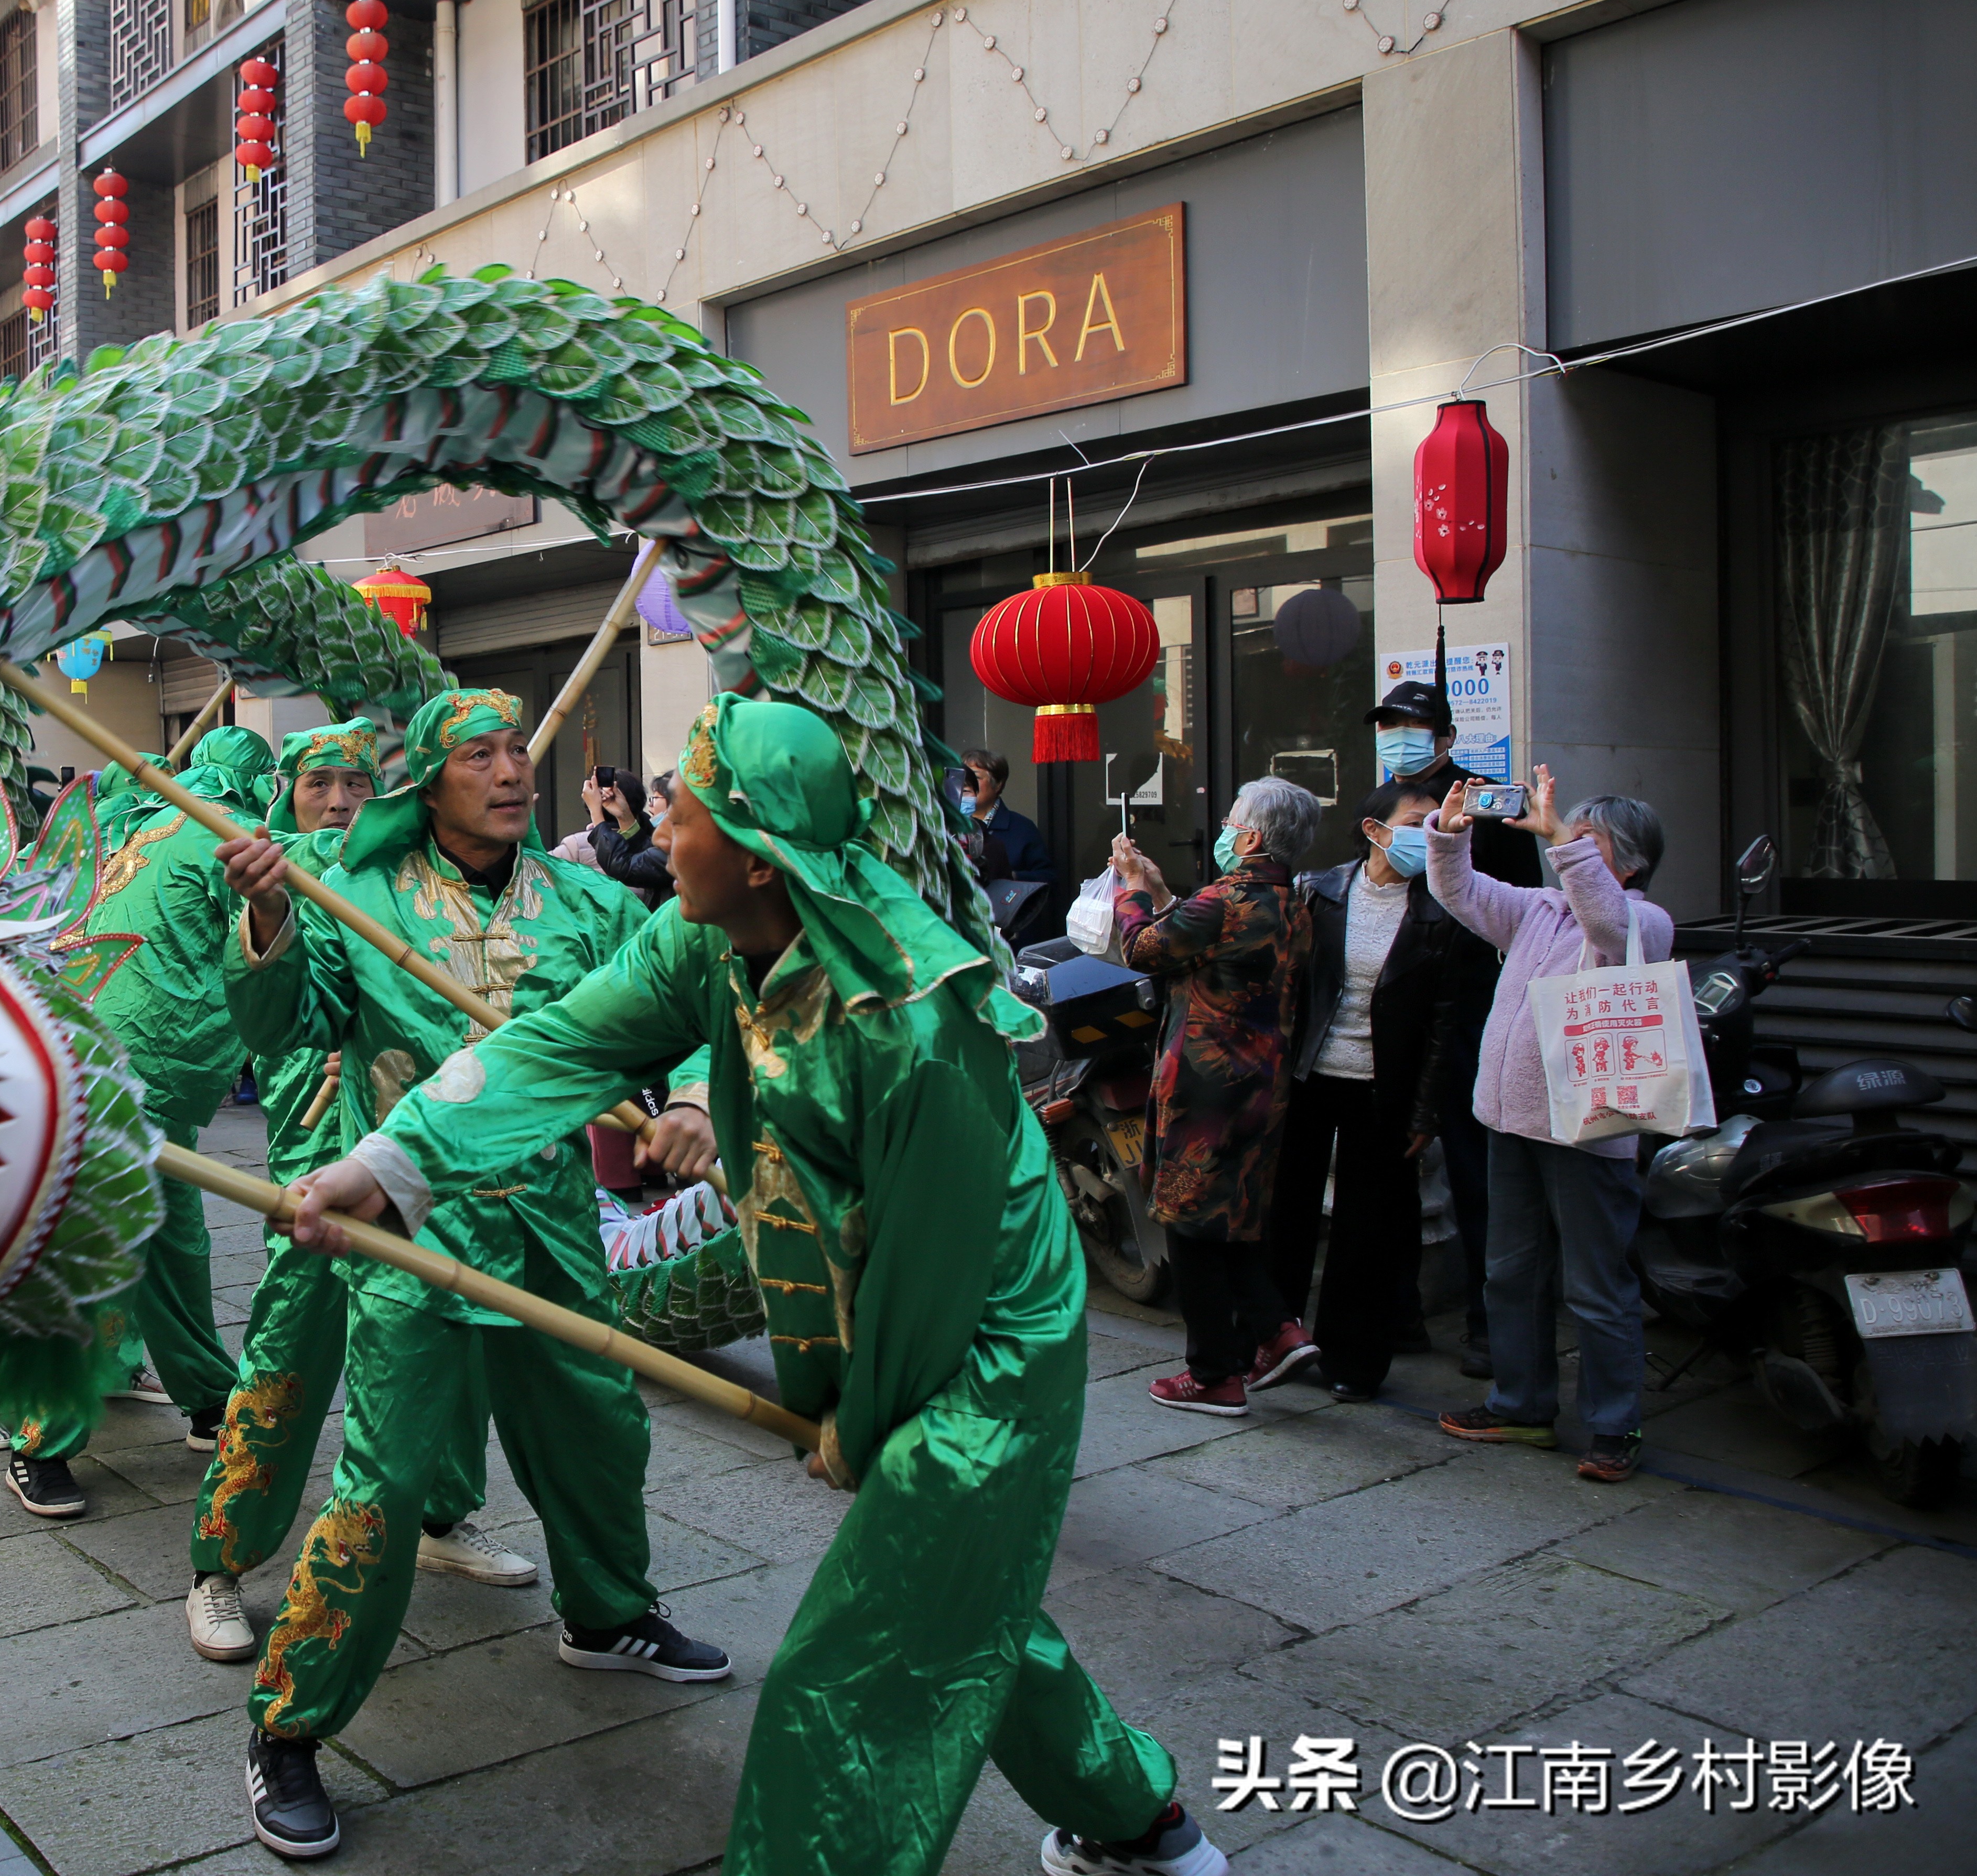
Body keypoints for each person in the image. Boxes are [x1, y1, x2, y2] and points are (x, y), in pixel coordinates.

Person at [283, 697, 1220, 1876]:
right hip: (865, 1308)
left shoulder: (908, 1023)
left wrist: (863, 1422)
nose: (656, 828)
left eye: (684, 811)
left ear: (761, 858)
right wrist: (391, 1164)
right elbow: (563, 1040)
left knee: (856, 1676)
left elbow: (929, 1280)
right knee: (959, 1596)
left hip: (981, 1350)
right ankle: (1144, 1826)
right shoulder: (698, 936)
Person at [213, 688, 729, 1861]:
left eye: (518, 751)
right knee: (385, 1481)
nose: (511, 772)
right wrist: (271, 924)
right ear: (428, 783)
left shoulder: (593, 902)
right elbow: (290, 1026)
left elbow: (704, 994)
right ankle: (288, 1728)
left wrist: (692, 1091)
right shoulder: (360, 897)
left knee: (598, 1429)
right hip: (408, 1230)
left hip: (551, 1223)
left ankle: (607, 1614)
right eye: (481, 755)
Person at [182, 721, 532, 1667]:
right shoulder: (290, 868)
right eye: (316, 784)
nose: (337, 802)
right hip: (319, 1159)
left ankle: (443, 1518)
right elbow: (275, 1008)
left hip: (445, 1165)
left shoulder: (439, 868)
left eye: (352, 783)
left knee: (458, 1352)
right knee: (288, 1354)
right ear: (285, 798)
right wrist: (272, 918)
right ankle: (220, 1562)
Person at [0, 725, 280, 1516]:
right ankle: (39, 1438)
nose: (338, 803)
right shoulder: (226, 836)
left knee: (175, 1235)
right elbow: (282, 941)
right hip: (139, 1062)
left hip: (90, 1044)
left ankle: (209, 1396)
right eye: (322, 786)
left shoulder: (147, 821)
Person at [1424, 767, 1672, 1485]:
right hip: (1513, 1122)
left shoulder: (1641, 921)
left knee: (1596, 1288)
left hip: (1589, 1133)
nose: (1564, 850)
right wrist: (1448, 834)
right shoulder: (1540, 910)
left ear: (1624, 861)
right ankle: (1521, 1403)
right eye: (1567, 840)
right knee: (1510, 1275)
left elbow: (1610, 922)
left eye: (1586, 842)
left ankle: (1612, 1424)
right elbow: (1460, 892)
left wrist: (1564, 841)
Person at [1110, 777, 1320, 1418]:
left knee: (1188, 1223)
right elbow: (1202, 938)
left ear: (1251, 837)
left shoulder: (1225, 901)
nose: (1225, 830)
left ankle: (1215, 1374)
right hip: (1262, 1087)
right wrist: (1163, 891)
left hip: (1203, 1088)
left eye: (1231, 821)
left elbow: (1142, 948)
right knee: (1224, 1220)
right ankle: (1277, 1330)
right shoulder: (1291, 902)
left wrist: (1131, 894)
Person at [1271, 782, 1474, 1400]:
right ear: (1373, 829)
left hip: (1383, 1088)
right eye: (1417, 820)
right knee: (1286, 1215)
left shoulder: (1443, 909)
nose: (1429, 828)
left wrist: (1426, 1111)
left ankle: (1353, 1362)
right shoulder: (1318, 891)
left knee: (1368, 1231)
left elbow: (1446, 1020)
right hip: (1308, 1077)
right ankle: (1271, 1339)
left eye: (1436, 820)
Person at [1370, 677, 1534, 1379]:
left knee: (1475, 1171)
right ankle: (1398, 1309)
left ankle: (1490, 1324)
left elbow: (1524, 909)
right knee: (1391, 1167)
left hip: (1469, 1006)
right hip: (1393, 1003)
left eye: (1411, 726)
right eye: (1387, 726)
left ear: (1445, 737)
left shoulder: (1491, 803)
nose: (1397, 738)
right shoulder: (1381, 800)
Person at [957, 750, 1052, 880]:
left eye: (975, 777)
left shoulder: (1022, 828)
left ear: (998, 784)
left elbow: (1047, 877)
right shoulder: (947, 825)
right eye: (962, 776)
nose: (965, 783)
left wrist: (1012, 877)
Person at [586, 769, 674, 907]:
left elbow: (623, 867)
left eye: (656, 797)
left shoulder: (686, 843)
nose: (651, 804)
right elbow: (648, 852)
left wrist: (596, 813)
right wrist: (624, 815)